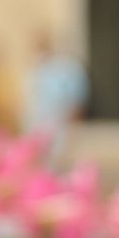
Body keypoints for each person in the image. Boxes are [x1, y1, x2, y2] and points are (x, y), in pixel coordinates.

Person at [23, 29, 88, 162]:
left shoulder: (67, 68)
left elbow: (77, 99)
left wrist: (73, 122)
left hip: (58, 123)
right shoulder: (37, 69)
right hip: (37, 123)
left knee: (55, 159)